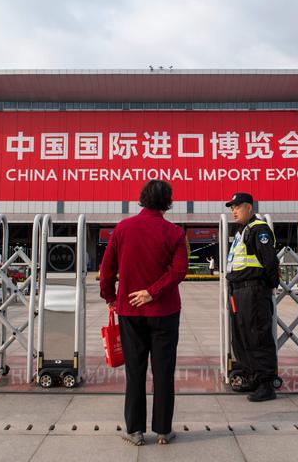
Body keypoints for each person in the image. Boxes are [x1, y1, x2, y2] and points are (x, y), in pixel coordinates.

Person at [99, 180, 189, 446]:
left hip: (130, 311)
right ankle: (163, 430)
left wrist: (110, 297)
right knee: (163, 371)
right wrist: (153, 291)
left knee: (135, 371)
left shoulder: (123, 229)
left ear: (142, 199)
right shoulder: (174, 233)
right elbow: (179, 270)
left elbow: (107, 269)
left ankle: (135, 430)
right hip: (165, 311)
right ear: (167, 202)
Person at [225, 192, 279, 402]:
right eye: (232, 208)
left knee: (257, 335)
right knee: (241, 336)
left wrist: (266, 287)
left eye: (237, 206)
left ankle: (266, 383)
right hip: (239, 291)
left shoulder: (259, 229)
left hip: (254, 291)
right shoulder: (242, 231)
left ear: (249, 207)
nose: (234, 211)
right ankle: (251, 377)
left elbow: (270, 263)